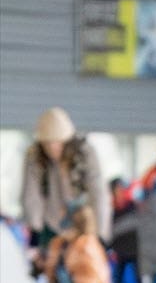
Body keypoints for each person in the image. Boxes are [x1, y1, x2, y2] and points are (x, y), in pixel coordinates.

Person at [22, 107, 108, 249]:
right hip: (50, 224)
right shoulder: (34, 156)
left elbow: (98, 193)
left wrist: (101, 232)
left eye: (57, 142)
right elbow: (31, 194)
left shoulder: (85, 153)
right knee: (50, 265)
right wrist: (34, 228)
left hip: (82, 224)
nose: (52, 147)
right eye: (47, 143)